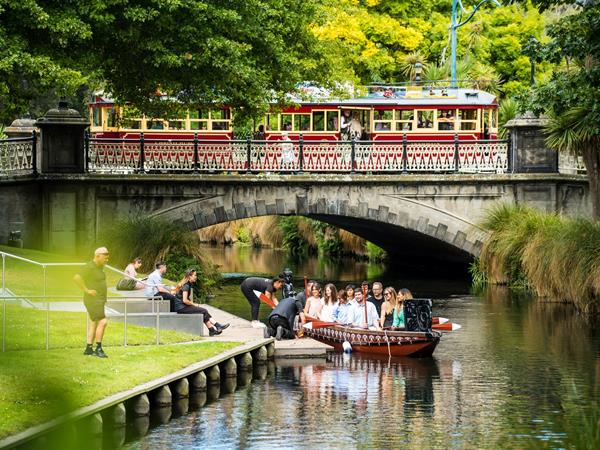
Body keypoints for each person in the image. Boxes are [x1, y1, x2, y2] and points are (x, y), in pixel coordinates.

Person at [74, 247, 110, 358]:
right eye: (105, 257)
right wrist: (86, 290)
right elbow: (76, 277)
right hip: (93, 300)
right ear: (98, 256)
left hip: (99, 300)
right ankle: (98, 349)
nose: (107, 260)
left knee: (94, 323)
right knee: (103, 322)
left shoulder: (99, 267)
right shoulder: (89, 266)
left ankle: (89, 348)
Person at [173, 269, 229, 336]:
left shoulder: (187, 284)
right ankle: (217, 325)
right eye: (195, 275)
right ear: (190, 276)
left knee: (202, 311)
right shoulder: (186, 286)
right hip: (181, 308)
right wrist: (194, 304)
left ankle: (212, 330)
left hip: (182, 307)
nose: (196, 277)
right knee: (204, 310)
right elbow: (184, 300)